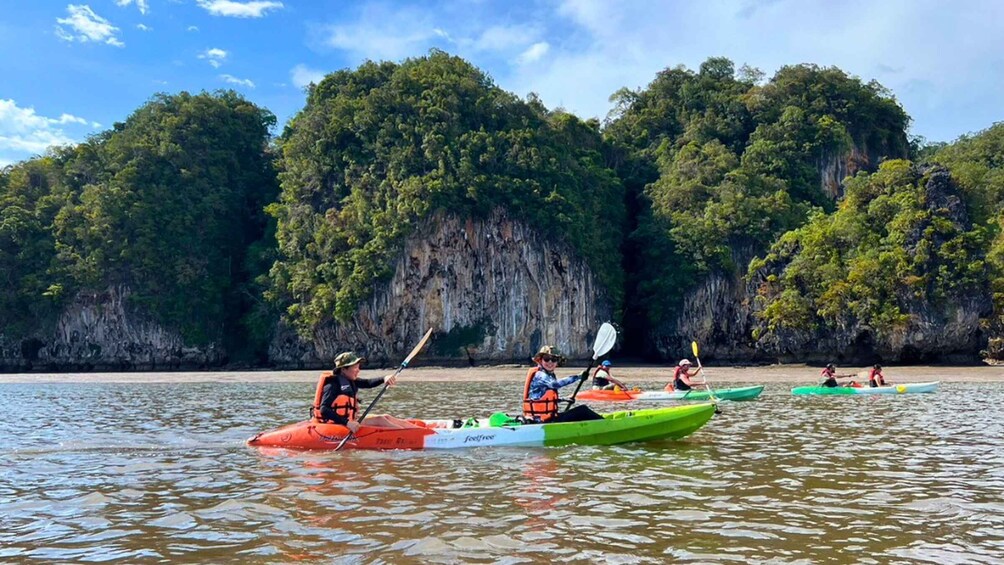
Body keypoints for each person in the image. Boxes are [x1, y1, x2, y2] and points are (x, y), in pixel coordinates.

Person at [312, 351, 417, 431]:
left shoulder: (351, 381)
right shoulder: (332, 385)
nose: (358, 370)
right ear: (343, 369)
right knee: (380, 421)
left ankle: (419, 431)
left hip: (348, 421)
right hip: (335, 424)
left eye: (358, 367)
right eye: (355, 367)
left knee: (385, 417)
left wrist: (384, 378)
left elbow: (368, 383)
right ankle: (410, 436)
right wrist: (347, 423)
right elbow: (324, 409)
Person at [523, 345, 604, 423]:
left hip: (549, 418)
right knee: (583, 410)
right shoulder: (540, 375)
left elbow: (541, 399)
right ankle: (606, 424)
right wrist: (577, 377)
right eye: (546, 359)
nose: (550, 362)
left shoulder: (549, 375)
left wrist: (563, 399)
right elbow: (555, 384)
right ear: (540, 360)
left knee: (580, 412)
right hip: (541, 421)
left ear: (557, 362)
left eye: (554, 359)